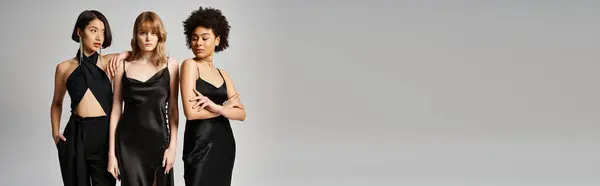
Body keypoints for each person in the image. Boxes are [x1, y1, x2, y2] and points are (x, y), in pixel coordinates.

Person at [51, 10, 127, 186]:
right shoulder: (64, 68)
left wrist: (122, 55)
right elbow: (56, 103)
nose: (99, 36)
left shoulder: (109, 62)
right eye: (93, 30)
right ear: (79, 32)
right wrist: (55, 133)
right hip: (75, 134)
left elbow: (136, 53)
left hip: (103, 134)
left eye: (102, 31)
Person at [106, 11, 179, 186]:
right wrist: (111, 154)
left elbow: (174, 110)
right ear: (136, 35)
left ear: (160, 36)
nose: (148, 38)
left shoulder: (171, 65)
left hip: (159, 141)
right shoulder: (123, 66)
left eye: (153, 33)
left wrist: (173, 147)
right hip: (128, 144)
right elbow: (116, 111)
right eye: (143, 33)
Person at [179, 6, 246, 186]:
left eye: (204, 38)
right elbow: (191, 113)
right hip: (199, 144)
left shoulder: (223, 74)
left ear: (217, 40)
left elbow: (241, 114)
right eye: (194, 38)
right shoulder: (189, 66)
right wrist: (224, 110)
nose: (198, 43)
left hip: (223, 144)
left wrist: (216, 107)